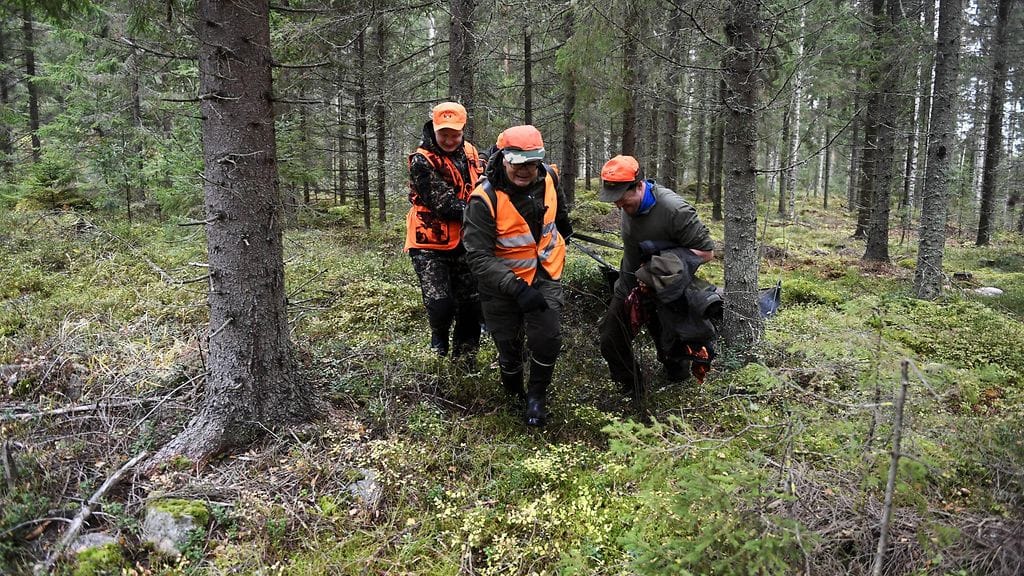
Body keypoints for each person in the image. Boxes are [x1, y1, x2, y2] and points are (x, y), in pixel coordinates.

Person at [462, 125, 573, 426]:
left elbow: (559, 213)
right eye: (518, 163)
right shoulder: (483, 199)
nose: (525, 170)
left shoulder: (549, 177)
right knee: (508, 345)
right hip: (501, 284)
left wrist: (565, 229)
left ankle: (536, 396)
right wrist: (517, 288)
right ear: (503, 159)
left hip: (545, 272)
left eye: (532, 163)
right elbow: (478, 257)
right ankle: (512, 390)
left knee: (547, 337)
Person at [596, 155, 716, 397]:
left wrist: (659, 262)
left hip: (666, 288)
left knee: (670, 350)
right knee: (611, 339)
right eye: (614, 200)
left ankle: (677, 385)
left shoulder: (674, 210)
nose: (618, 205)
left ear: (638, 185)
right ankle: (632, 391)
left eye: (622, 199)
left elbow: (706, 252)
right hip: (629, 283)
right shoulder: (626, 205)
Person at [404, 102, 482, 365]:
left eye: (455, 134)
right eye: (444, 134)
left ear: (463, 131)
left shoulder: (471, 153)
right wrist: (485, 214)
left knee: (470, 305)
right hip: (429, 242)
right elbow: (446, 206)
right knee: (440, 303)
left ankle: (465, 362)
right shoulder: (421, 161)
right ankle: (439, 338)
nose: (449, 140)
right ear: (434, 129)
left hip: (466, 240)